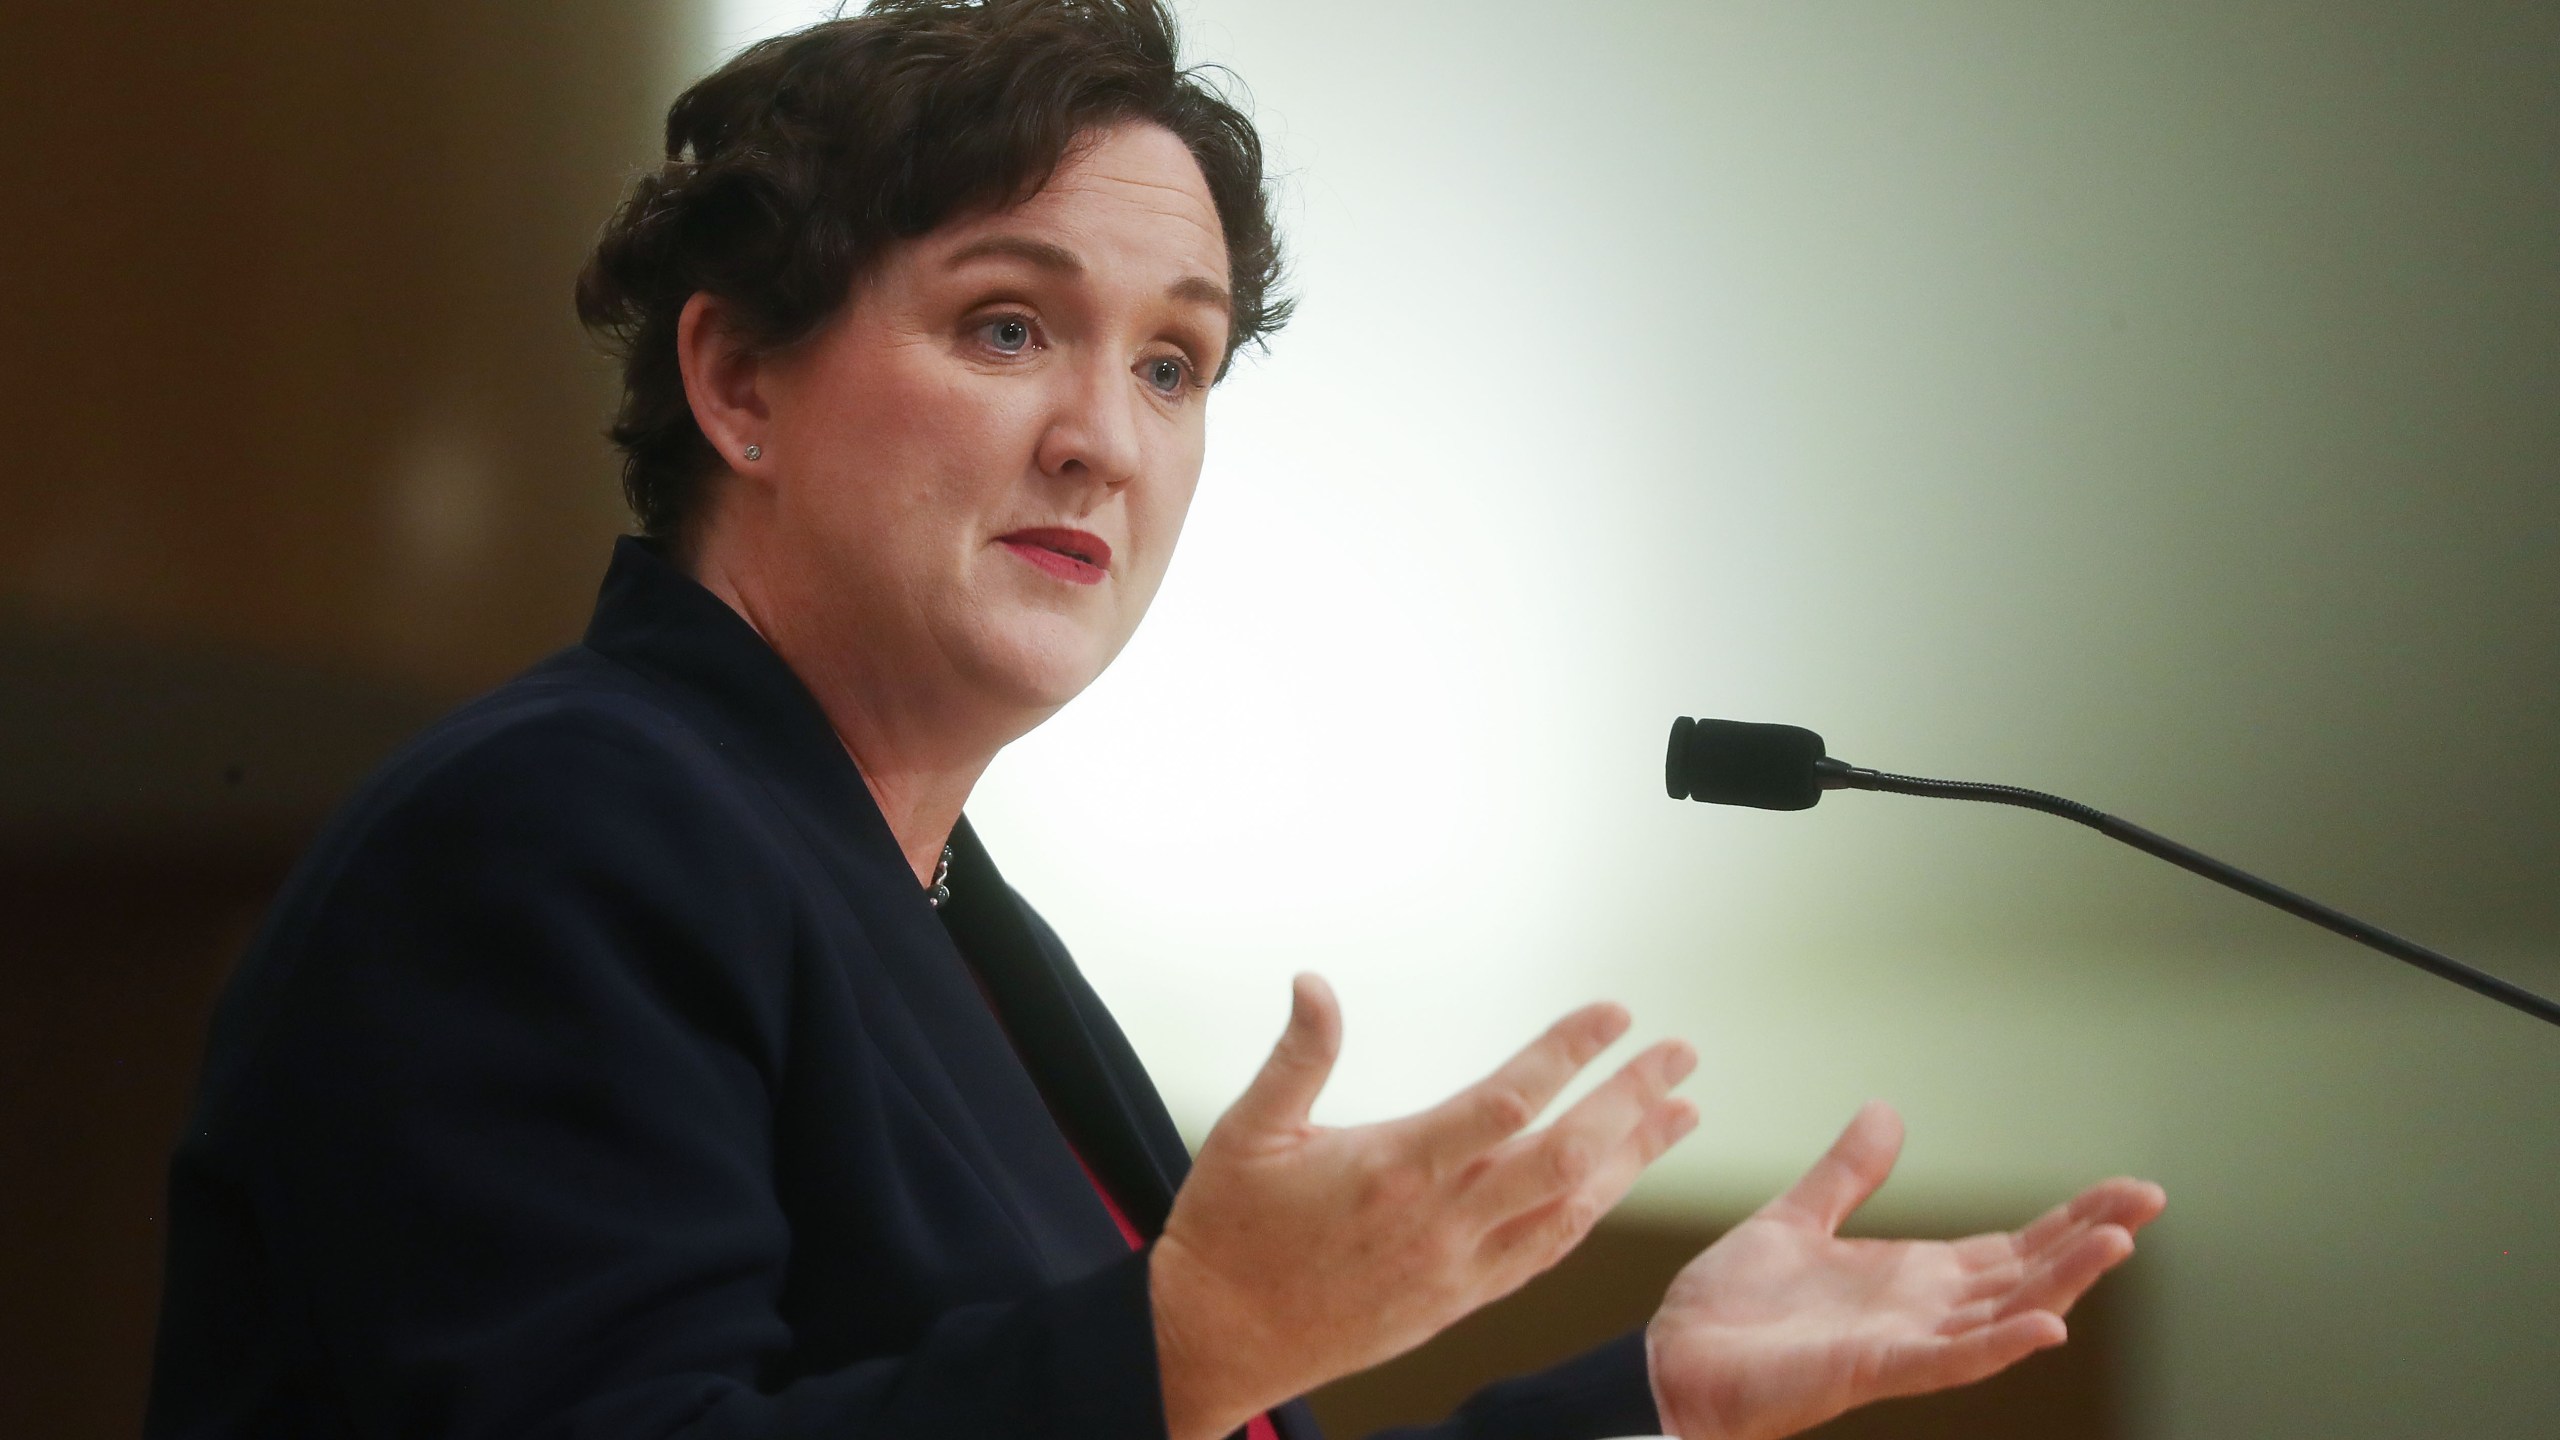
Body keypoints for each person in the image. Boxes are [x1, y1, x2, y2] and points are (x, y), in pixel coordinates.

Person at [145, 2, 2165, 1437]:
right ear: (737, 385)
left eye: (1176, 364)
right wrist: (1176, 1349)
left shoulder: (939, 911)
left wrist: (1645, 1396)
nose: (1100, 438)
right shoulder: (556, 831)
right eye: (1006, 325)